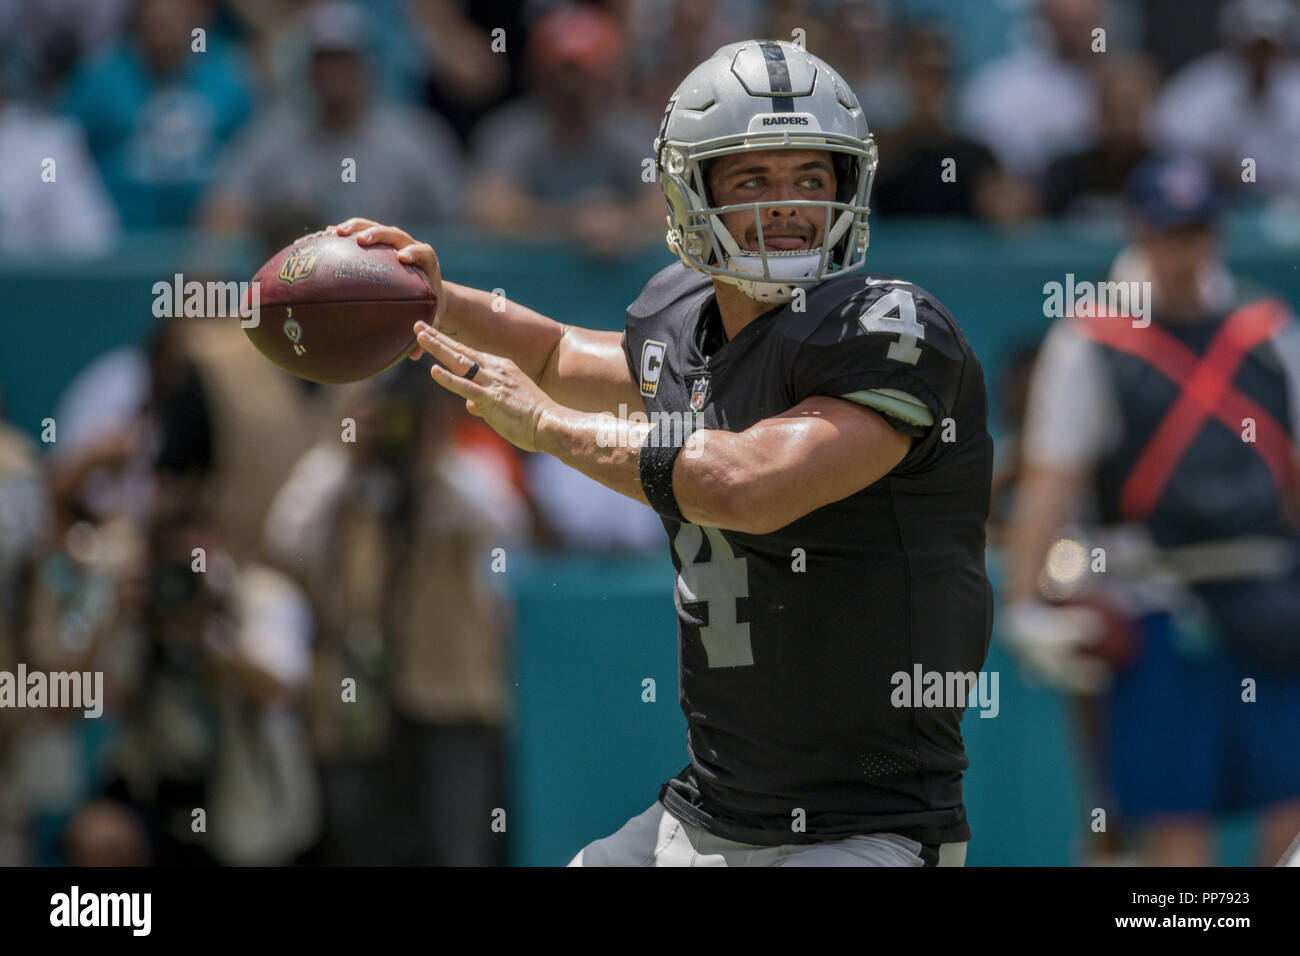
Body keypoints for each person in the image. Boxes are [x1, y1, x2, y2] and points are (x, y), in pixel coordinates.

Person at [336, 39, 993, 867]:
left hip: (867, 825)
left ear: (848, 187)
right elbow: (554, 358)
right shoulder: (681, 319)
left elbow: (748, 485)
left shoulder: (888, 328)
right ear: (691, 190)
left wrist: (547, 429)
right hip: (709, 809)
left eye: (809, 178)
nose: (784, 205)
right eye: (752, 179)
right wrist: (431, 296)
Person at [1002, 155, 1300, 865]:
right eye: (1168, 232)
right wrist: (1021, 602)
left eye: (1196, 230)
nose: (1182, 248)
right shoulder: (1091, 341)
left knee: (1291, 806)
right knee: (1173, 821)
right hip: (1156, 601)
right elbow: (1051, 480)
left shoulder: (1266, 332)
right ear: (1140, 231)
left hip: (1272, 599)